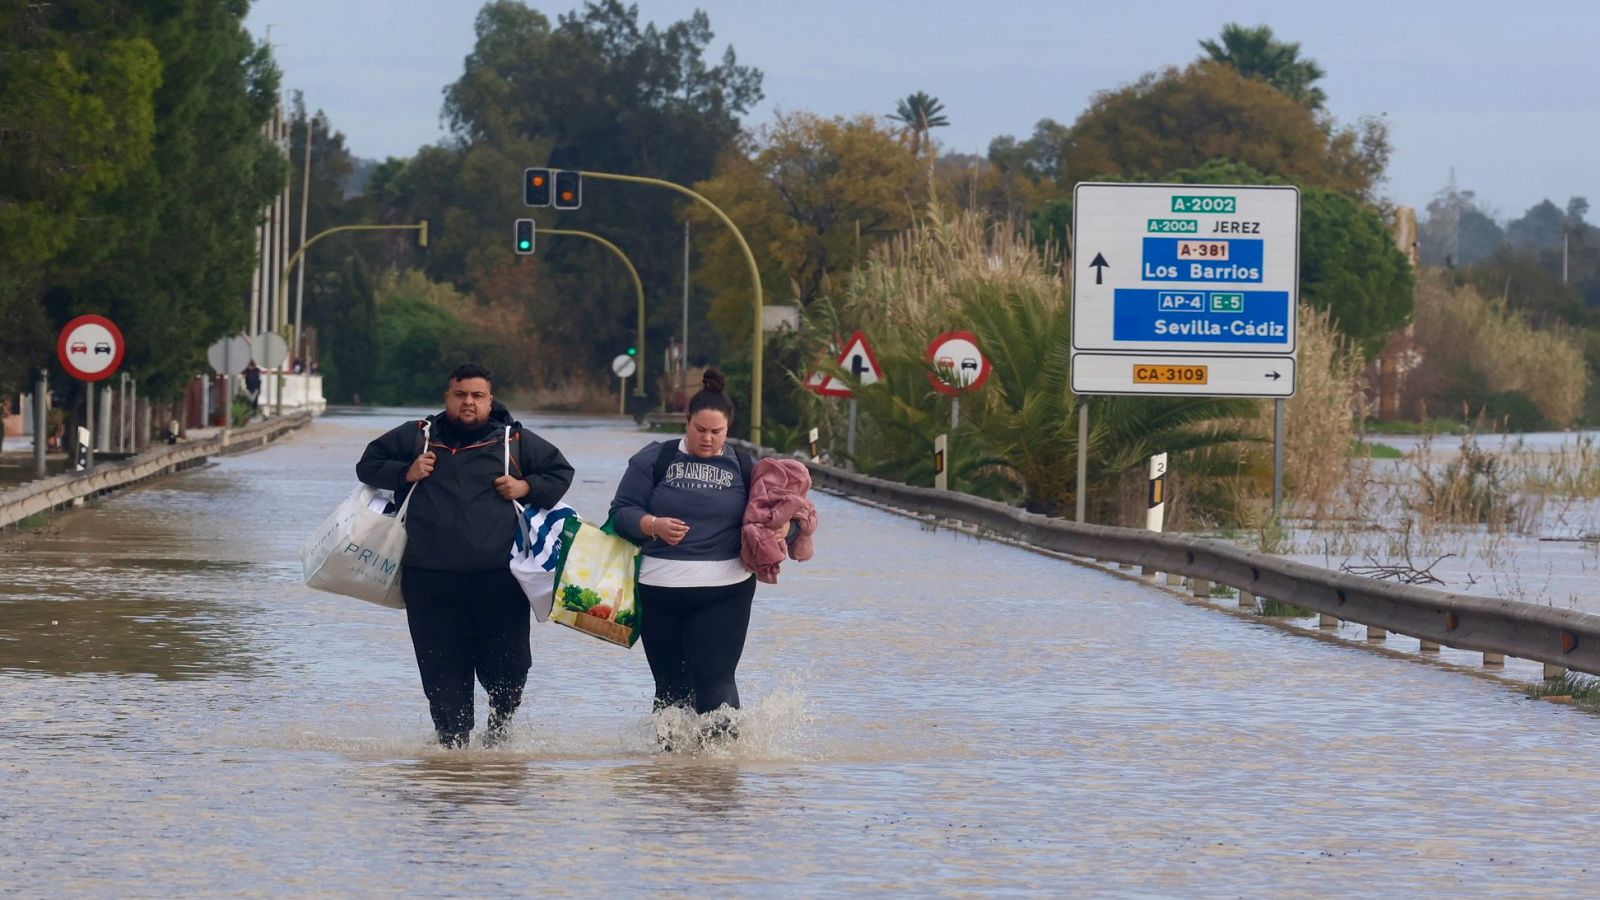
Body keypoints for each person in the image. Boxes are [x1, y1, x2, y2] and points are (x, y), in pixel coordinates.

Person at [357, 363, 574, 748]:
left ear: (490, 400)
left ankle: (500, 728)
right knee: (442, 674)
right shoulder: (418, 436)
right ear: (447, 397)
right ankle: (452, 755)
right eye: (460, 395)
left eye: (477, 396)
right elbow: (368, 465)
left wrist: (524, 486)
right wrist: (407, 472)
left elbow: (560, 472)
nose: (468, 403)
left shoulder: (514, 440)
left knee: (508, 672)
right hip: (429, 579)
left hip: (498, 581)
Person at [608, 367, 756, 744]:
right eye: (699, 429)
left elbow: (775, 513)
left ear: (728, 430)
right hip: (659, 590)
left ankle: (719, 774)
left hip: (725, 588)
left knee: (715, 681)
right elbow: (620, 513)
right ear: (686, 422)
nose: (707, 439)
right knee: (671, 689)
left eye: (716, 432)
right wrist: (652, 525)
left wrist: (789, 530)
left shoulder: (744, 465)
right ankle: (671, 779)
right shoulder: (654, 459)